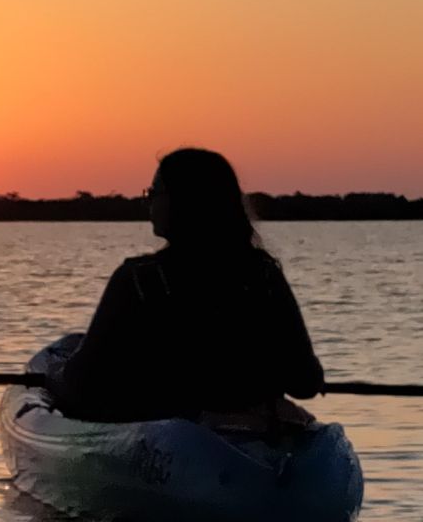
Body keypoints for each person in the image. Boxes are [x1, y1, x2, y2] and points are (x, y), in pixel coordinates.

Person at [47, 148, 324, 426]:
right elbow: (306, 382)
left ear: (183, 201)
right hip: (258, 438)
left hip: (173, 444)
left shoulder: (137, 280)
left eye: (155, 192)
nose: (150, 202)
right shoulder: (263, 275)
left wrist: (54, 378)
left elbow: (82, 382)